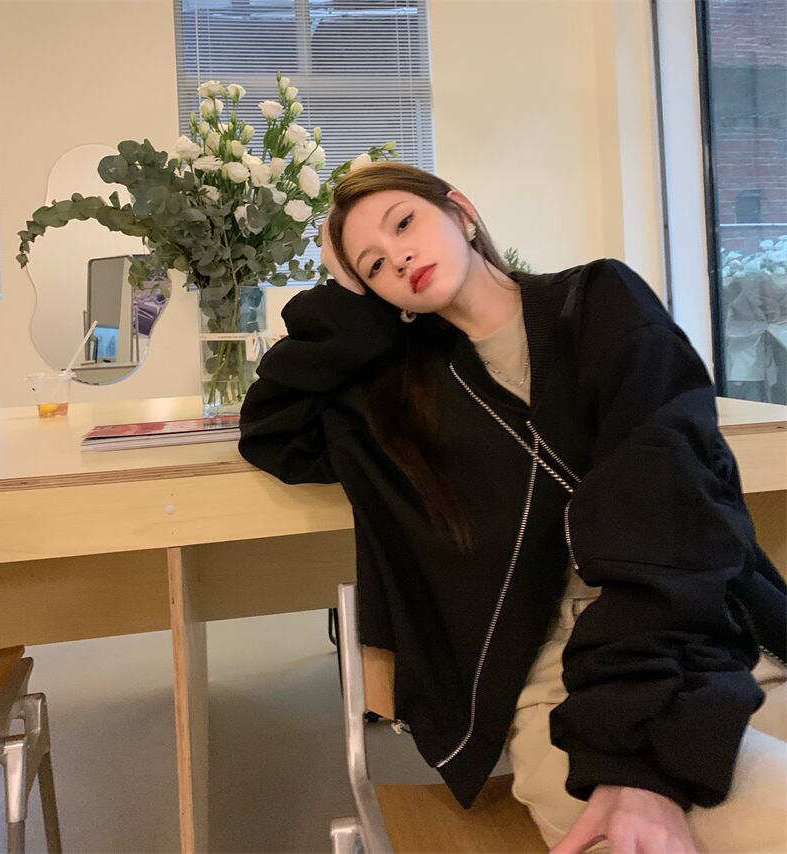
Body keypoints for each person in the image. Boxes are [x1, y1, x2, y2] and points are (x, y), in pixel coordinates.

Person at [237, 161, 787, 853]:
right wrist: (346, 305)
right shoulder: (402, 397)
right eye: (371, 265)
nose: (397, 256)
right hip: (557, 685)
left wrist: (637, 757)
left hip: (702, 638)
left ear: (461, 212)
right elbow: (274, 431)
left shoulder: (597, 302)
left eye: (404, 223)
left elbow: (667, 507)